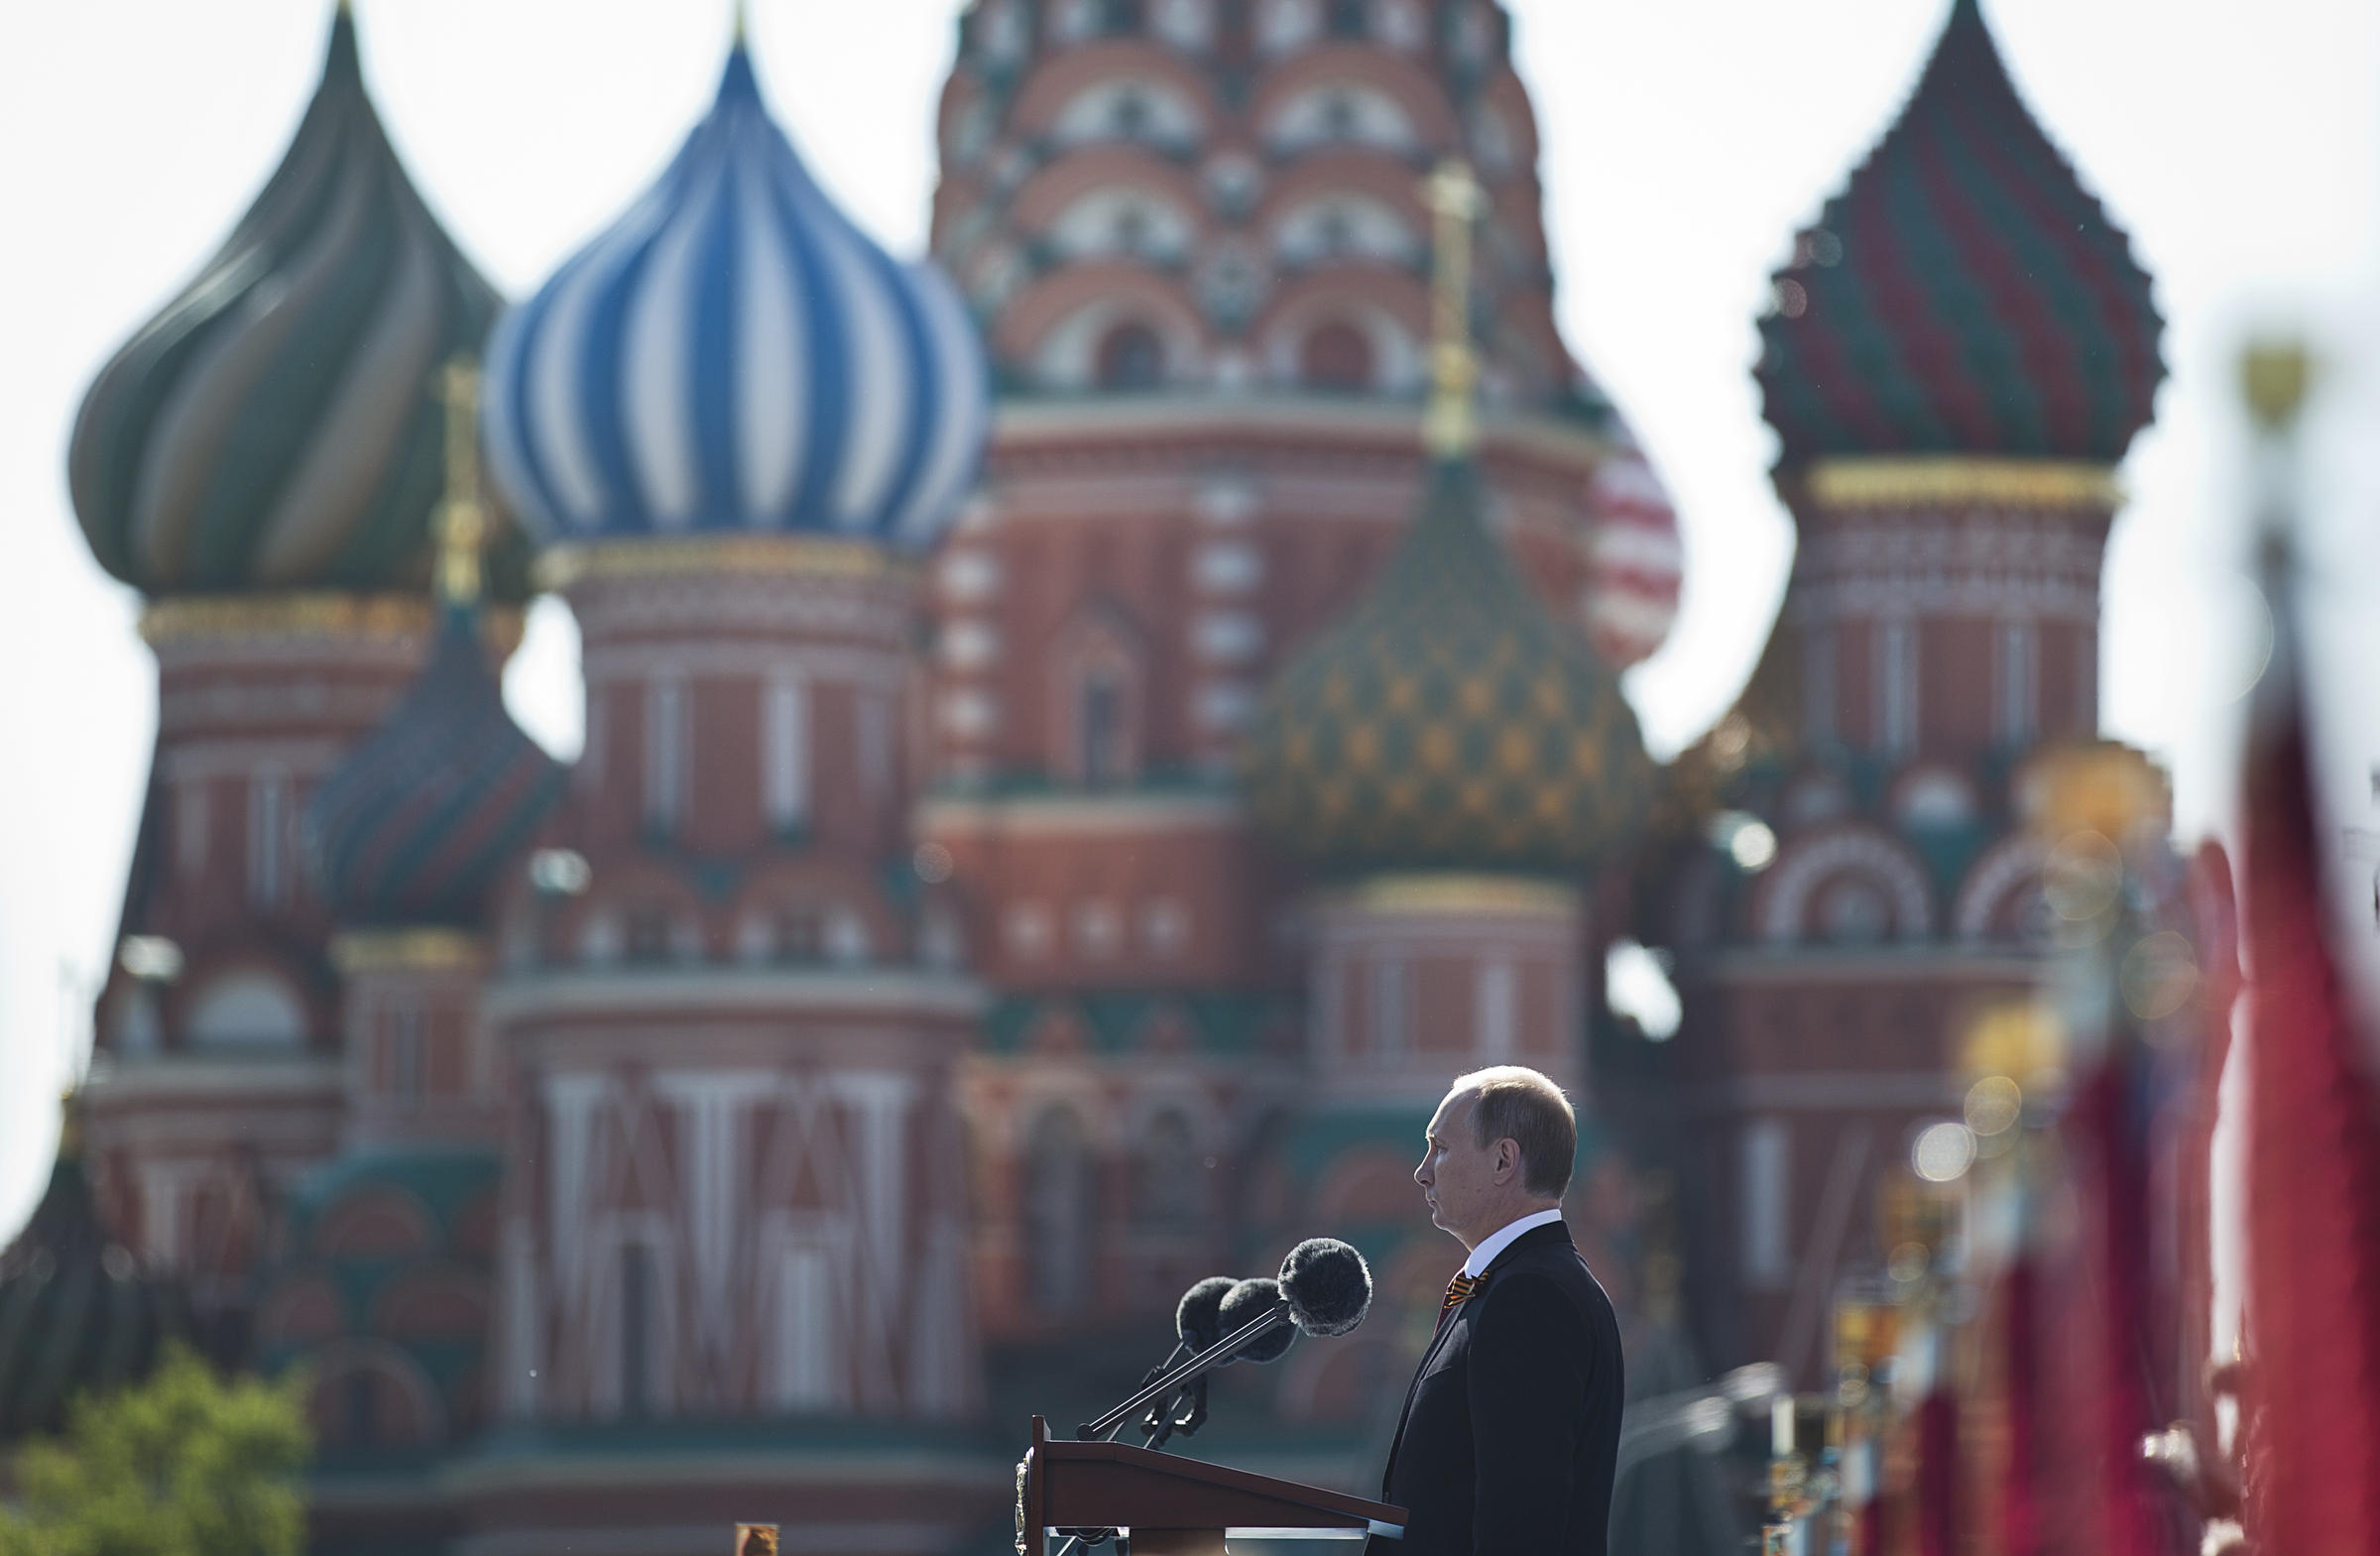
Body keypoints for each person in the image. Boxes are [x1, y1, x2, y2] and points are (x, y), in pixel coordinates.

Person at [1369, 1066, 1624, 1556]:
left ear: (1504, 1160)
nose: (1422, 1171)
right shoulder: (1510, 1283)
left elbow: (1523, 1515)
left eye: (1440, 1148)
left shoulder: (1531, 1296)